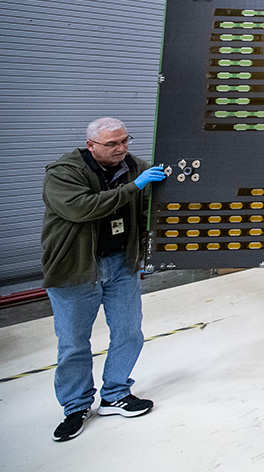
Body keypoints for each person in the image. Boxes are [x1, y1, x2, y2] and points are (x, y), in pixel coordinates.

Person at [41, 117, 166, 442]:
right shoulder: (63, 173)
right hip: (76, 269)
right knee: (73, 344)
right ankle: (76, 406)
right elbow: (82, 209)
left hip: (120, 266)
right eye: (112, 144)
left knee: (129, 332)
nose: (121, 148)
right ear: (91, 146)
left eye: (125, 141)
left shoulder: (135, 166)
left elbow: (146, 210)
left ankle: (115, 394)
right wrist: (133, 188)